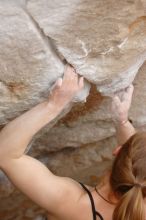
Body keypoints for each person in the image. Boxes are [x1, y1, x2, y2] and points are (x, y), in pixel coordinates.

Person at [0, 64, 145, 220]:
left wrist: (53, 105)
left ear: (117, 151)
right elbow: (134, 157)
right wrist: (122, 121)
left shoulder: (70, 202)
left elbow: (6, 154)